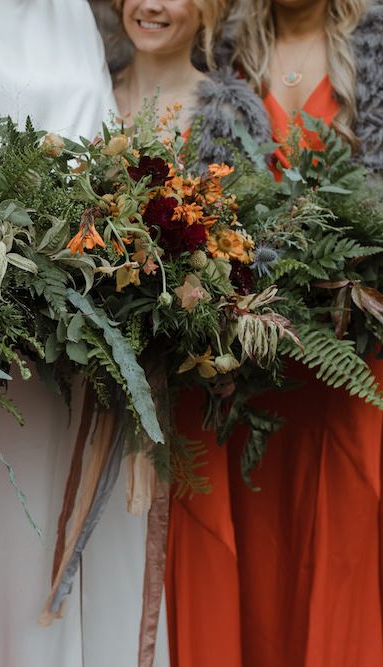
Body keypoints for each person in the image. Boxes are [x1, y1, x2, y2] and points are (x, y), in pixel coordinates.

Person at [0, 2, 165, 665]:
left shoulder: (70, 7)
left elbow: (108, 146)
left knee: (110, 536)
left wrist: (111, 248)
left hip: (102, 307)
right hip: (4, 318)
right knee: (18, 537)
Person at [203, 1, 382, 665]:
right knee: (261, 546)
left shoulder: (373, 52)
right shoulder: (226, 63)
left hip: (352, 358)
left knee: (343, 538)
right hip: (256, 363)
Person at [110, 0, 271, 664]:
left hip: (182, 387)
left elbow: (253, 255)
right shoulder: (80, 87)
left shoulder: (226, 117)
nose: (151, 5)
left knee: (186, 557)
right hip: (82, 382)